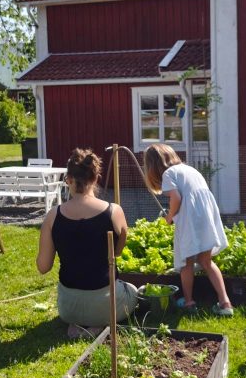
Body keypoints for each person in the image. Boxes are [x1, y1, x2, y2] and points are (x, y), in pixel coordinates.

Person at [36, 148, 138, 338]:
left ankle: (80, 325)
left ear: (68, 179)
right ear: (96, 177)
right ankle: (97, 324)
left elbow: (43, 267)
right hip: (107, 304)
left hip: (68, 309)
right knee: (132, 290)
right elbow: (117, 252)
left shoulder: (53, 216)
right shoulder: (114, 211)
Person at [143, 143, 234, 317]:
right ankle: (225, 303)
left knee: (187, 263)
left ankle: (189, 302)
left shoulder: (169, 174)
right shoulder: (189, 169)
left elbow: (176, 198)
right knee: (207, 262)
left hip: (189, 220)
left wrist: (169, 217)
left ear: (153, 165)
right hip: (205, 217)